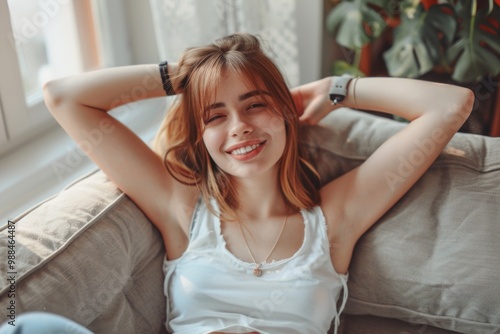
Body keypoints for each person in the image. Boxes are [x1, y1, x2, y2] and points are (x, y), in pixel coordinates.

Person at [39, 33, 473, 334]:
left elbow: (451, 104)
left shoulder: (335, 218)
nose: (239, 127)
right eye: (215, 116)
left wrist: (338, 87)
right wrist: (190, 72)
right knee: (28, 324)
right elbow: (63, 97)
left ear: (287, 111)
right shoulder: (181, 207)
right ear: (201, 136)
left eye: (256, 106)